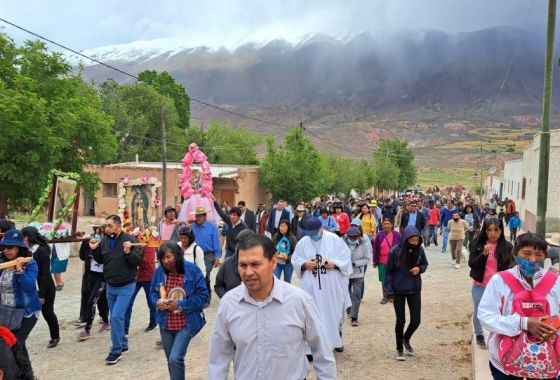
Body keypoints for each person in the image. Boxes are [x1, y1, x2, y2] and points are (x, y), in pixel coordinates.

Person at [207, 234, 337, 380]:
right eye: (242, 265)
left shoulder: (299, 301)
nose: (248, 272)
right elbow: (218, 359)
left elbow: (322, 352)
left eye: (255, 264)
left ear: (273, 261)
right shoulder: (229, 303)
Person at [478, 233, 560, 379]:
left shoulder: (555, 282)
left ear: (545, 257)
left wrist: (552, 327)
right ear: (515, 254)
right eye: (526, 253)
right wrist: (524, 323)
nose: (533, 259)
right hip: (504, 360)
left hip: (546, 360)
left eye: (539, 254)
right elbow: (486, 316)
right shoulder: (499, 280)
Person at [292, 217, 352, 352]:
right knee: (311, 314)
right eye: (310, 233)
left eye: (315, 232)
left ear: (321, 228)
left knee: (333, 312)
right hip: (311, 284)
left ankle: (336, 339)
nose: (313, 235)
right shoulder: (303, 242)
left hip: (330, 284)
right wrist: (304, 264)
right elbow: (296, 259)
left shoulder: (334, 239)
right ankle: (310, 348)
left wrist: (335, 263)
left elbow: (345, 257)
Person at [89, 215, 143, 365]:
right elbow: (100, 260)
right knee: (116, 316)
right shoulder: (104, 240)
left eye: (110, 226)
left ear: (118, 226)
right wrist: (94, 250)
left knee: (116, 317)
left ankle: (116, 350)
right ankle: (123, 343)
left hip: (127, 285)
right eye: (105, 226)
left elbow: (138, 261)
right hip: (111, 286)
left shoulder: (130, 239)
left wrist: (128, 252)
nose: (106, 229)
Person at [150, 241, 208, 380]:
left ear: (177, 255)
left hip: (186, 323)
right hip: (166, 323)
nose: (165, 261)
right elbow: (152, 291)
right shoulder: (160, 271)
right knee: (170, 359)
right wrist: (157, 302)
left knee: (175, 358)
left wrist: (180, 304)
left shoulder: (193, 270)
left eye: (169, 257)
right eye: (163, 258)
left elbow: (203, 296)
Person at [468, 218, 514, 350]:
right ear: (485, 230)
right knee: (478, 310)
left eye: (496, 230)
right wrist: (483, 254)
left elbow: (510, 267)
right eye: (489, 230)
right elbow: (472, 264)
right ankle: (479, 335)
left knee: (500, 311)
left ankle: (498, 335)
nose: (493, 233)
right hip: (480, 285)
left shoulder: (507, 247)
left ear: (500, 230)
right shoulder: (477, 243)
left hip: (500, 288)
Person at [384, 226, 429, 361]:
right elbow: (389, 273)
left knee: (416, 320)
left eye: (417, 240)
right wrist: (389, 293)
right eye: (412, 240)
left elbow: (424, 264)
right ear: (405, 239)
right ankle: (399, 348)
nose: (415, 243)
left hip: (414, 288)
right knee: (401, 320)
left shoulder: (420, 249)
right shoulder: (395, 252)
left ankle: (406, 338)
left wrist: (419, 269)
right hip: (398, 290)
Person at [0, 230, 41, 375]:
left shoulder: (30, 263)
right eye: (4, 247)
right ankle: (27, 375)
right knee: (18, 346)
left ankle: (19, 375)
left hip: (26, 313)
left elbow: (29, 285)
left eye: (10, 247)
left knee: (14, 345)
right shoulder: (2, 264)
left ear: (19, 248)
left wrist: (19, 270)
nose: (6, 250)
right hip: (6, 313)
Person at [21, 227, 60, 348]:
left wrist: (41, 293)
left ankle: (55, 336)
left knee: (47, 312)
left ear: (26, 237)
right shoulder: (26, 250)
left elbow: (45, 273)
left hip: (45, 287)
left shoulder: (41, 250)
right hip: (31, 287)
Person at [76, 226, 110, 341]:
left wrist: (95, 248)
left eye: (99, 234)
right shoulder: (89, 245)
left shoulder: (104, 246)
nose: (96, 237)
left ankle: (87, 330)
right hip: (90, 277)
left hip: (101, 278)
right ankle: (106, 321)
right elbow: (82, 257)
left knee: (91, 302)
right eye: (95, 234)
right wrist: (84, 244)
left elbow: (101, 260)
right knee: (99, 301)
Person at [190, 206, 221, 307]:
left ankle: (207, 298)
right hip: (195, 253)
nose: (197, 218)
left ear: (205, 216)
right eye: (196, 216)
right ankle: (197, 296)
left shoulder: (212, 227)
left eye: (199, 216)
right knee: (196, 275)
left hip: (208, 254)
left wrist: (217, 257)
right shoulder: (192, 226)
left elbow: (216, 242)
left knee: (205, 274)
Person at [124, 244, 157, 335]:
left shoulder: (150, 242)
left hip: (148, 276)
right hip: (134, 277)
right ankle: (125, 329)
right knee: (128, 302)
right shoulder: (132, 240)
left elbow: (146, 261)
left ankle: (153, 323)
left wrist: (132, 257)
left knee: (151, 302)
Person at [214, 229, 256, 298]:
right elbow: (218, 286)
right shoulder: (227, 264)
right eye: (239, 244)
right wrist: (227, 298)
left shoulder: (260, 264)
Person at [344, 226, 371, 326]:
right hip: (345, 274)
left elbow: (367, 259)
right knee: (345, 294)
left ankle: (354, 318)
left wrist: (355, 263)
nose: (353, 239)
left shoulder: (364, 243)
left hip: (358, 273)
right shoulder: (341, 242)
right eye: (351, 237)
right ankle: (349, 311)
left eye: (355, 238)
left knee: (356, 295)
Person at [373, 219, 402, 304]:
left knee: (394, 278)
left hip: (394, 260)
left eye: (388, 224)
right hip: (382, 260)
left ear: (391, 225)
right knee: (383, 279)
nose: (386, 225)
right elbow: (375, 248)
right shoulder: (379, 235)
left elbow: (400, 248)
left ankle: (394, 295)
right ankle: (385, 296)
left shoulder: (397, 235)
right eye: (384, 224)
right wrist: (375, 260)